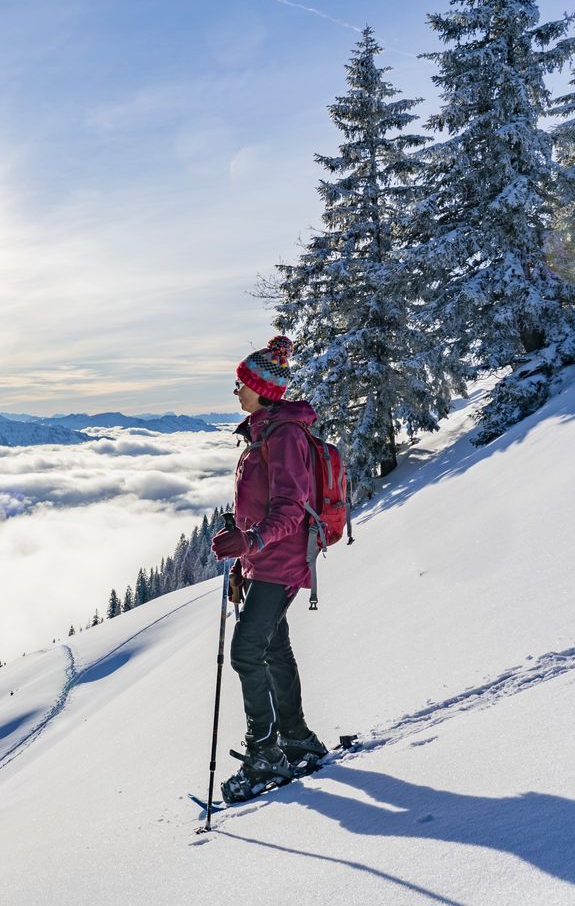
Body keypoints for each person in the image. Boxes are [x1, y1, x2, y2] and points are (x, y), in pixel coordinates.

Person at [210, 334, 327, 799]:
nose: (236, 391)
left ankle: (266, 756)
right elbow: (262, 505)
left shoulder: (283, 437)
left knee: (245, 652)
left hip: (280, 561)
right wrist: (244, 549)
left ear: (263, 389)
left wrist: (252, 539)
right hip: (264, 560)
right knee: (272, 650)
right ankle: (296, 739)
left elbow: (291, 508)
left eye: (241, 383)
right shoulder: (266, 432)